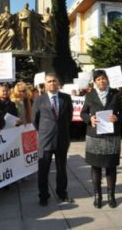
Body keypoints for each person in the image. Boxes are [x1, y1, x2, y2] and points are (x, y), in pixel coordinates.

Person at [80, 70, 122, 208]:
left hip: (111, 136)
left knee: (111, 167)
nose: (101, 81)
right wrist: (90, 119)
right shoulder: (90, 95)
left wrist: (117, 117)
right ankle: (97, 195)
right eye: (99, 79)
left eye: (103, 78)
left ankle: (111, 195)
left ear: (107, 80)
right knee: (95, 167)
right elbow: (83, 113)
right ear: (95, 82)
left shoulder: (115, 94)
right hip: (95, 136)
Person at [32, 73, 73, 206]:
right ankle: (43, 196)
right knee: (43, 169)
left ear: (59, 83)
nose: (52, 83)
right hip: (46, 139)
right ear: (45, 84)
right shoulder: (39, 99)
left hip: (62, 138)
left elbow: (69, 117)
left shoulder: (66, 98)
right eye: (49, 81)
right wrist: (45, 131)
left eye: (54, 81)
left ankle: (62, 193)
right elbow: (35, 120)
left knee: (62, 169)